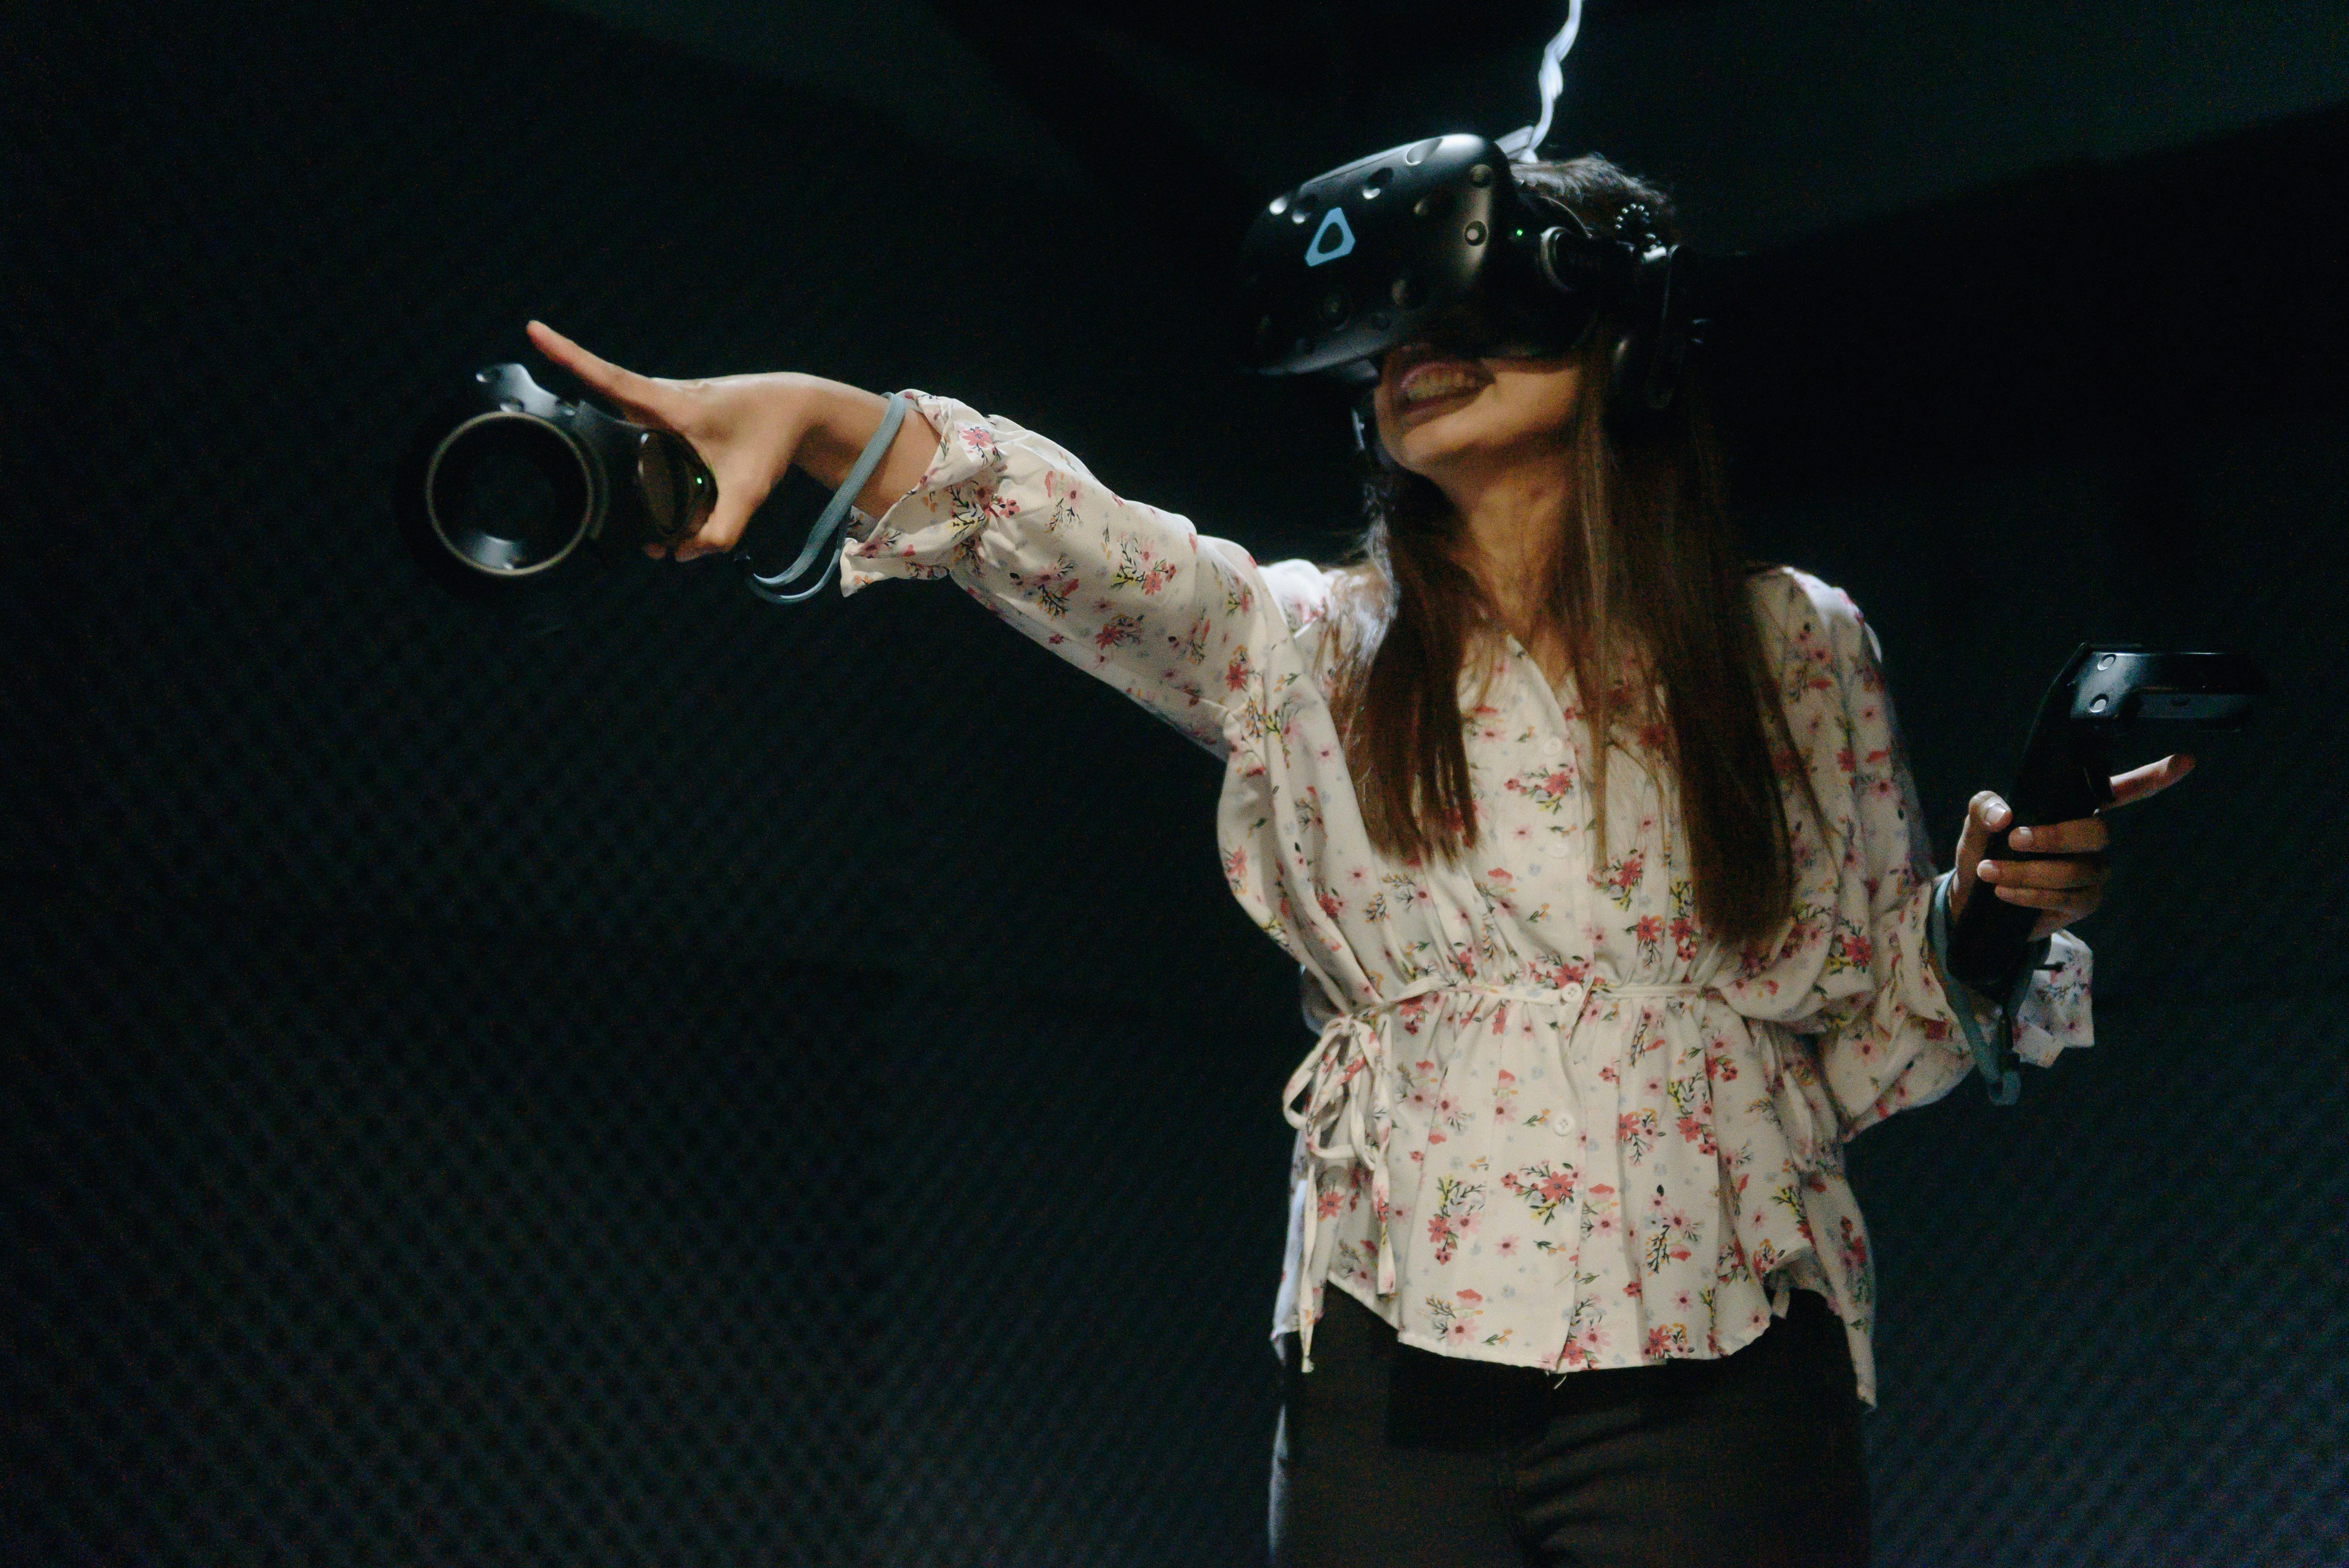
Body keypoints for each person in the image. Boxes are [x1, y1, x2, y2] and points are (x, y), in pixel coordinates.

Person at [523, 154, 2189, 1568]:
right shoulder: (1301, 649)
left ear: (1615, 335)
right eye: (1391, 333)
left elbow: (1851, 1027)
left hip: (1719, 1345)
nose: (1412, 354)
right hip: (1395, 1358)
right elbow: (1058, 534)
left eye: (1464, 314)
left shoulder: (1784, 645)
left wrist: (1980, 914)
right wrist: (825, 421)